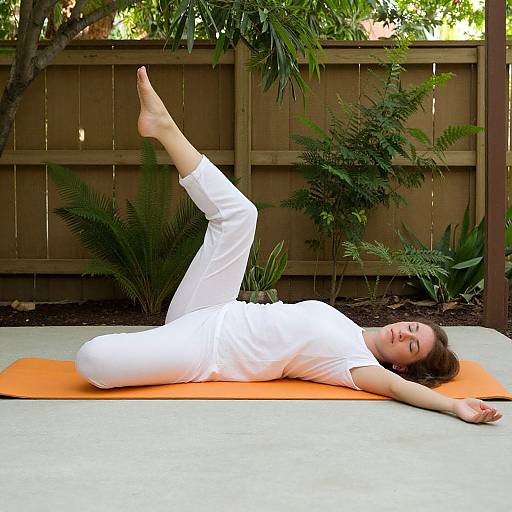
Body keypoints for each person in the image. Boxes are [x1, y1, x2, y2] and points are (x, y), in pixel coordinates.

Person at [75, 66, 503, 425]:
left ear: (404, 365)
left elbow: (398, 391)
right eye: (412, 327)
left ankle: (150, 350)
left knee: (92, 361)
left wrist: (454, 407)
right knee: (241, 216)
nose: (403, 331)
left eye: (411, 344)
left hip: (204, 351)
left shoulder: (358, 367)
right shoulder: (347, 325)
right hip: (213, 308)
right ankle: (164, 127)